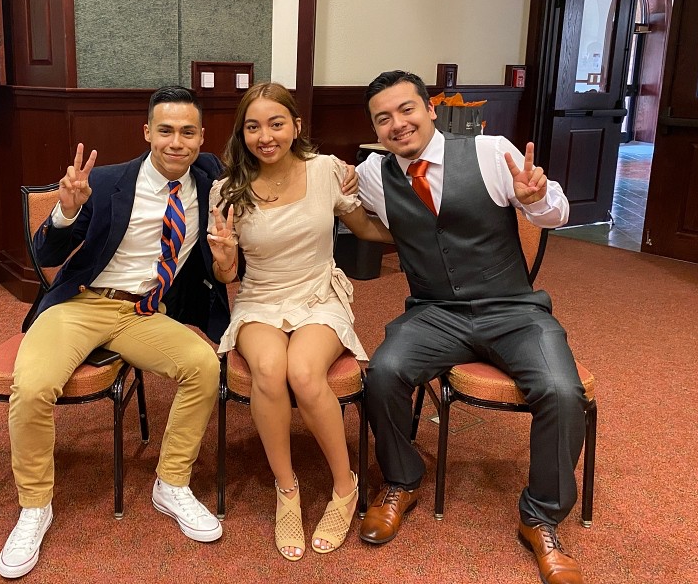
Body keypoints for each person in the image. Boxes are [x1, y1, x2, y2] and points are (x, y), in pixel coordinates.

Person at [354, 70, 588, 584]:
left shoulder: (489, 152)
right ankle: (402, 479)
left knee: (561, 390)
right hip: (435, 311)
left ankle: (542, 517)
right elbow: (356, 207)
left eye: (406, 110)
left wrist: (535, 198)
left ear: (430, 109)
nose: (398, 124)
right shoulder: (373, 174)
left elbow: (557, 216)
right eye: (383, 118)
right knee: (384, 373)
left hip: (512, 308)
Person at [0, 87, 231, 579]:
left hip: (144, 313)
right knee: (34, 387)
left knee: (203, 366)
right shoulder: (104, 182)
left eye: (187, 132)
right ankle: (35, 506)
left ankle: (171, 483)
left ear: (202, 138)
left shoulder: (209, 179)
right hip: (84, 303)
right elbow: (44, 255)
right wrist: (65, 212)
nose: (176, 142)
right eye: (164, 130)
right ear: (146, 132)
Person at [207, 82, 392, 562]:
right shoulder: (226, 189)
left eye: (276, 123)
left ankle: (344, 486)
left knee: (304, 373)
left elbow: (367, 229)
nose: (265, 136)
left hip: (318, 295)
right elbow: (226, 276)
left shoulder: (328, 171)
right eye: (253, 126)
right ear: (241, 133)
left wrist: (427, 237)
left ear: (296, 126)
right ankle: (287, 491)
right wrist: (225, 256)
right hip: (259, 298)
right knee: (269, 370)